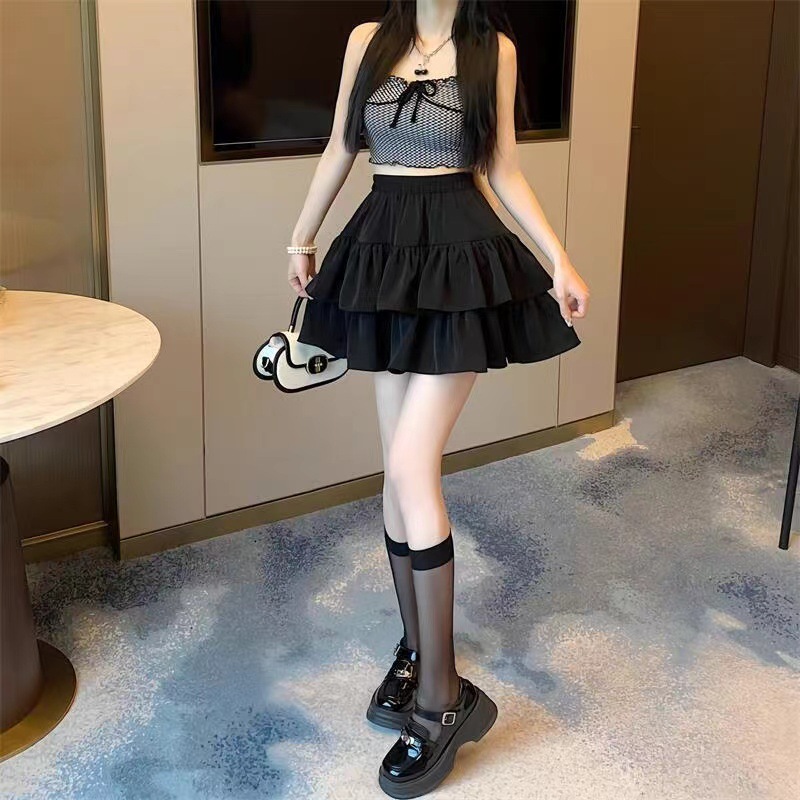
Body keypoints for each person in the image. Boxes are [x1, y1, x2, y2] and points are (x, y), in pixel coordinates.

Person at [286, 1, 590, 796]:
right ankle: (417, 648)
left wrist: (558, 260)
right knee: (394, 470)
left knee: (412, 468)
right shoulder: (367, 39)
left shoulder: (495, 50)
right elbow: (341, 146)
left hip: (461, 258)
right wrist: (302, 237)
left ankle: (443, 698)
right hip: (382, 251)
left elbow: (503, 168)